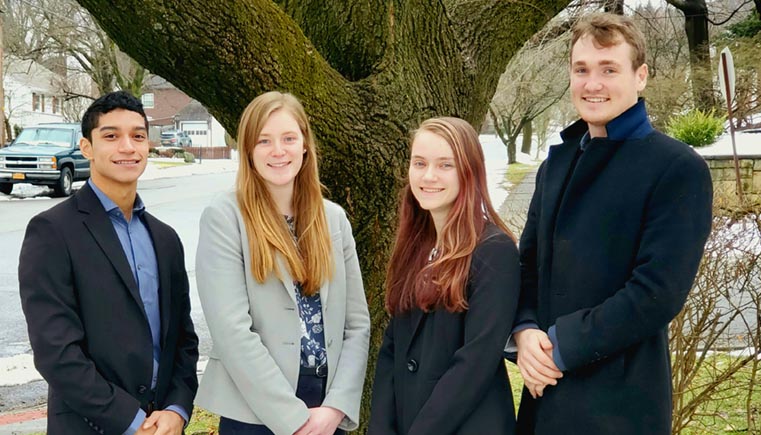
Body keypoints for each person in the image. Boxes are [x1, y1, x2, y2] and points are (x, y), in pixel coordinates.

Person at [510, 13, 713, 435]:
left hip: (620, 407)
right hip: (543, 403)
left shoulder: (677, 168)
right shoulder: (555, 166)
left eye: (608, 70)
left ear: (640, 76)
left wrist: (561, 346)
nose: (592, 84)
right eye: (581, 69)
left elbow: (655, 293)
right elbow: (527, 266)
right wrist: (525, 332)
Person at [18, 91, 199, 435]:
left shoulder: (165, 239)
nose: (128, 147)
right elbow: (56, 351)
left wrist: (177, 409)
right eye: (111, 136)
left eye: (138, 136)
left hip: (164, 424)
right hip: (91, 425)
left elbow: (183, 340)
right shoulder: (52, 231)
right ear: (87, 147)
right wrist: (131, 422)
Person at [194, 91, 370, 435]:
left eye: (289, 138)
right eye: (264, 140)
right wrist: (292, 419)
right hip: (255, 411)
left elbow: (357, 325)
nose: (278, 151)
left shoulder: (333, 219)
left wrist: (336, 407)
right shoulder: (225, 217)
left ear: (304, 145)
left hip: (326, 409)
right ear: (248, 150)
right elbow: (232, 330)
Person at [369, 117, 519, 435]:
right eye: (419, 163)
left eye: (445, 165)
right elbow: (392, 348)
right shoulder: (415, 248)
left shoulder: (493, 251)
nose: (428, 176)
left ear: (469, 172)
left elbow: (476, 362)